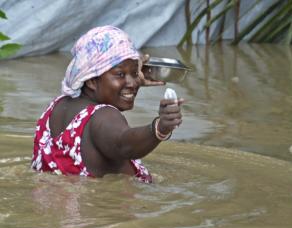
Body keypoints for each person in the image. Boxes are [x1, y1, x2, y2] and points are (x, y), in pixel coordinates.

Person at [31, 26, 183, 183]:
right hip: (104, 205)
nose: (132, 82)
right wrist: (160, 128)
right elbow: (124, 144)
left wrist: (124, 81)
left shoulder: (57, 106)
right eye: (120, 74)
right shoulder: (104, 116)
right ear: (91, 80)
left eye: (134, 73)